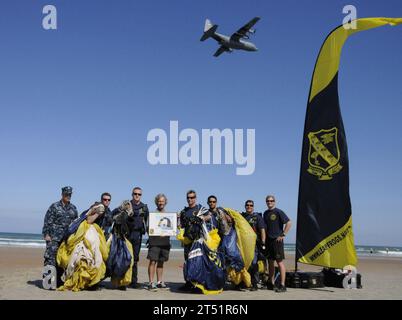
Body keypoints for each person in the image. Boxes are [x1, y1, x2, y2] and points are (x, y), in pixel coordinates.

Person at [56, 202, 108, 291]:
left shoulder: (104, 215)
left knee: (94, 260)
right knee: (80, 259)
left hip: (92, 237)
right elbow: (88, 220)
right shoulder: (86, 214)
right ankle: (80, 283)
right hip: (83, 239)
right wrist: (94, 211)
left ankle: (89, 283)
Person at [42, 186, 78, 287]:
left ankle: (58, 282)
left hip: (66, 239)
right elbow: (47, 221)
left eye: (70, 194)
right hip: (54, 238)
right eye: (66, 194)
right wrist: (46, 234)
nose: (68, 196)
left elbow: (75, 224)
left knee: (62, 260)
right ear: (62, 194)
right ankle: (48, 283)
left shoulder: (73, 208)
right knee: (50, 259)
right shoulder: (54, 206)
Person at [178, 190, 207, 291]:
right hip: (187, 240)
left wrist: (203, 217)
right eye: (188, 198)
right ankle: (188, 283)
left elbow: (209, 216)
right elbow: (181, 225)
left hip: (198, 240)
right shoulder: (184, 211)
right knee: (187, 261)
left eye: (192, 197)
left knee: (197, 262)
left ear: (195, 198)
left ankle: (197, 284)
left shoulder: (200, 208)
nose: (190, 199)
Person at [263, 195, 291, 293]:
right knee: (270, 262)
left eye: (271, 200)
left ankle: (283, 285)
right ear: (266, 202)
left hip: (277, 241)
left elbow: (289, 222)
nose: (269, 202)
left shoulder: (279, 212)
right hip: (268, 241)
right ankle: (271, 283)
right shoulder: (265, 213)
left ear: (275, 201)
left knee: (279, 262)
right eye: (268, 201)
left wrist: (283, 234)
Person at [146, 193, 171, 291]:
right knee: (153, 261)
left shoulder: (169, 215)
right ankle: (151, 283)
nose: (161, 203)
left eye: (162, 201)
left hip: (165, 242)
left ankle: (159, 282)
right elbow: (149, 229)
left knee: (161, 262)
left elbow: (172, 228)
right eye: (159, 201)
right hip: (154, 241)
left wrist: (176, 219)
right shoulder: (152, 215)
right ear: (157, 202)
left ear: (165, 202)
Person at [241, 200, 266, 291]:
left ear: (253, 206)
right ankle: (246, 282)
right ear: (245, 206)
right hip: (244, 244)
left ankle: (255, 283)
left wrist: (263, 242)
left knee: (254, 263)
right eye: (247, 205)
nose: (249, 206)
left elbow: (262, 230)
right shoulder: (242, 217)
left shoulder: (257, 217)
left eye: (251, 205)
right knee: (245, 264)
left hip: (254, 244)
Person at [126, 187, 149, 288]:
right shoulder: (127, 205)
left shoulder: (144, 207)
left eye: (139, 194)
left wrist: (150, 236)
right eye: (135, 193)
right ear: (132, 194)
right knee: (125, 257)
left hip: (138, 235)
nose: (137, 195)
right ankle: (124, 280)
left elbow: (148, 222)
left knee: (135, 259)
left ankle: (133, 281)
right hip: (126, 235)